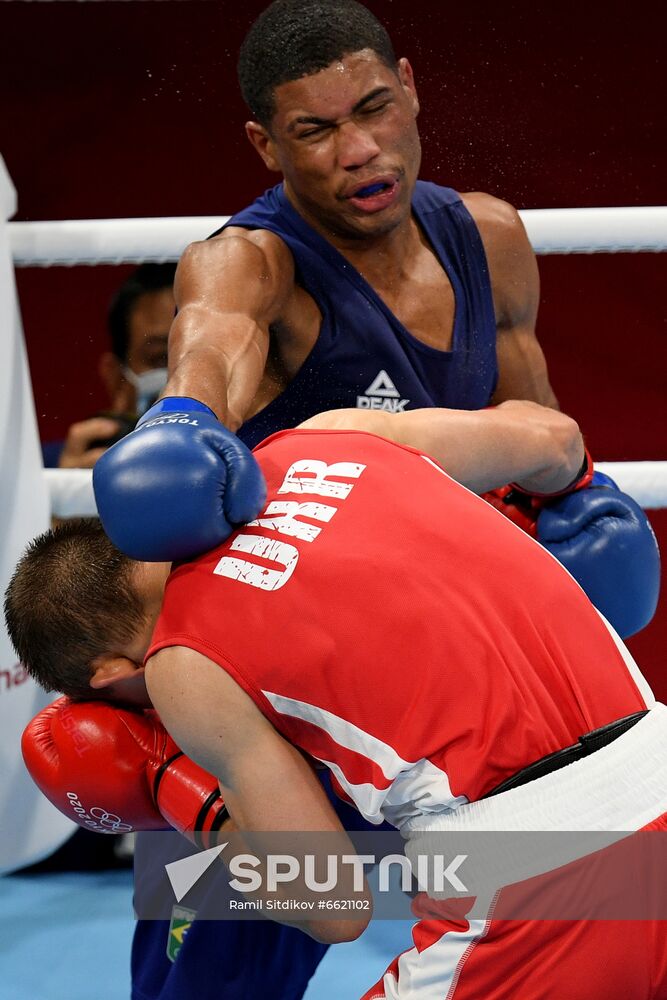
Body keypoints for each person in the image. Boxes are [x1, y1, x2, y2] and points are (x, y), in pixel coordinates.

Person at [8, 406, 667, 998]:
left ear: (107, 673)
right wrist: (572, 495)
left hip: (525, 880)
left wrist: (176, 790)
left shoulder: (183, 667)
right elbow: (553, 439)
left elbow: (333, 905)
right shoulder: (329, 438)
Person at [91, 0, 659, 641]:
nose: (359, 151)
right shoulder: (248, 263)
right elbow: (208, 360)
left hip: (446, 606)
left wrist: (572, 498)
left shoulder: (488, 236)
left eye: (374, 108)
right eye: (314, 131)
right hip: (309, 623)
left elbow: (534, 434)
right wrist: (180, 422)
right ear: (266, 146)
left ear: (410, 89)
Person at [43, 263, 174, 469]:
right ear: (117, 380)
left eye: (208, 355)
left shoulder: (242, 466)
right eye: (161, 357)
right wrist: (72, 496)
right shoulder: (35, 474)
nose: (189, 378)